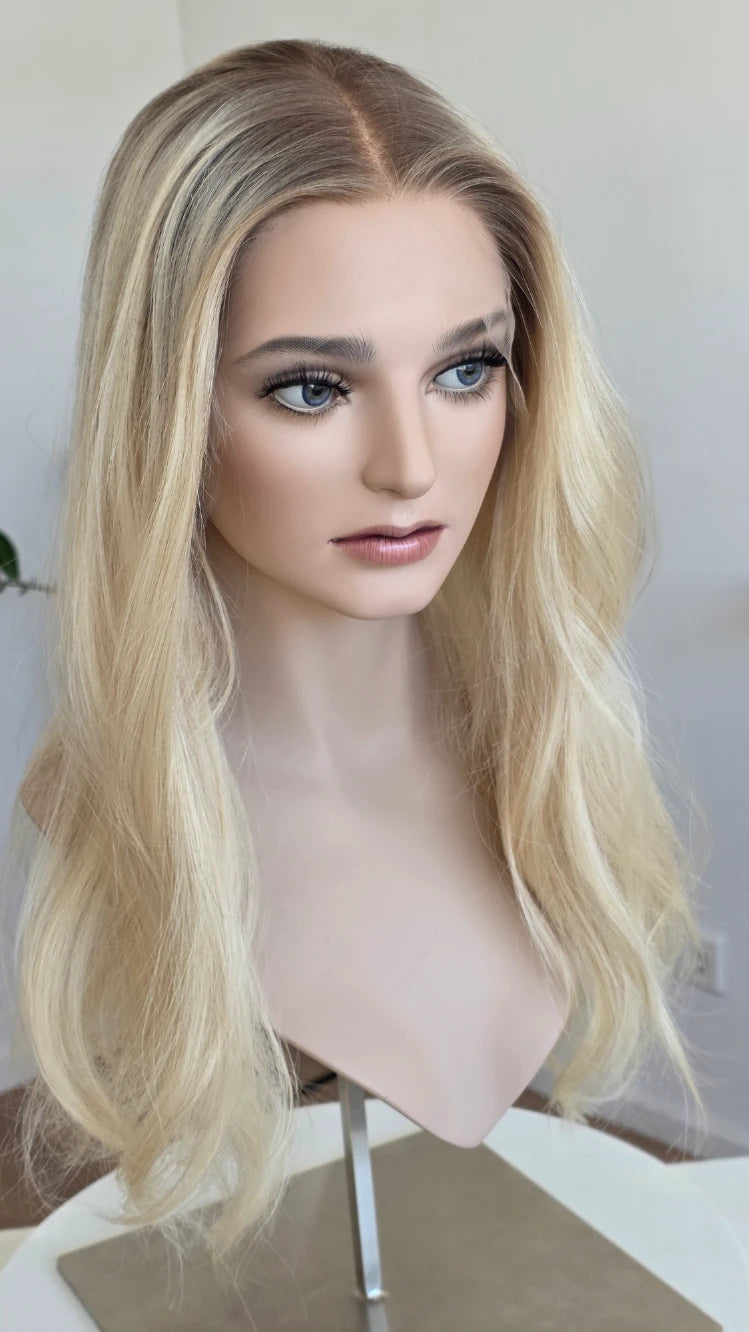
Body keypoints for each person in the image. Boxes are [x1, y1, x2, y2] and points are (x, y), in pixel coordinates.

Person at [1, 37, 708, 1289]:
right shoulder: (117, 796)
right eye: (312, 388)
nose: (409, 466)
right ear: (168, 409)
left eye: (463, 370)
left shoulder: (544, 756)